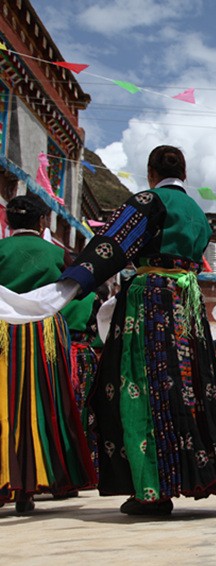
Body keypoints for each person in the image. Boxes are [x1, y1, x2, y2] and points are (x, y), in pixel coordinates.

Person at [57, 145, 216, 515]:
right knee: (190, 385)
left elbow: (113, 243)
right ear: (185, 174)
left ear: (151, 173)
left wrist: (75, 278)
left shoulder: (149, 201)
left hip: (150, 299)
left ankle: (151, 490)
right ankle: (196, 475)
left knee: (141, 384)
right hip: (188, 303)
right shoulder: (198, 213)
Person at [0, 194, 96, 514]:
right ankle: (40, 484)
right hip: (43, 335)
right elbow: (81, 285)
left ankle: (6, 481)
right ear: (43, 222)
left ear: (8, 221)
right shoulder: (57, 253)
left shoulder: (0, 249)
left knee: (5, 404)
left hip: (3, 331)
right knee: (45, 404)